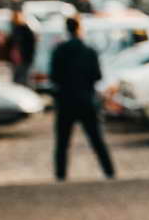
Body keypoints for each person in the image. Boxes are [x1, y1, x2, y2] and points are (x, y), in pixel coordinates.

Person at [48, 14, 115, 180]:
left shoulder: (59, 50)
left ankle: (60, 175)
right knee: (97, 140)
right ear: (80, 29)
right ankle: (109, 171)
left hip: (65, 100)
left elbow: (54, 76)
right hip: (86, 99)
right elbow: (97, 75)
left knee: (62, 143)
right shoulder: (89, 51)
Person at [6, 5, 37, 87]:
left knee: (22, 79)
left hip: (23, 58)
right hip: (19, 59)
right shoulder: (17, 29)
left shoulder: (23, 30)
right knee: (19, 79)